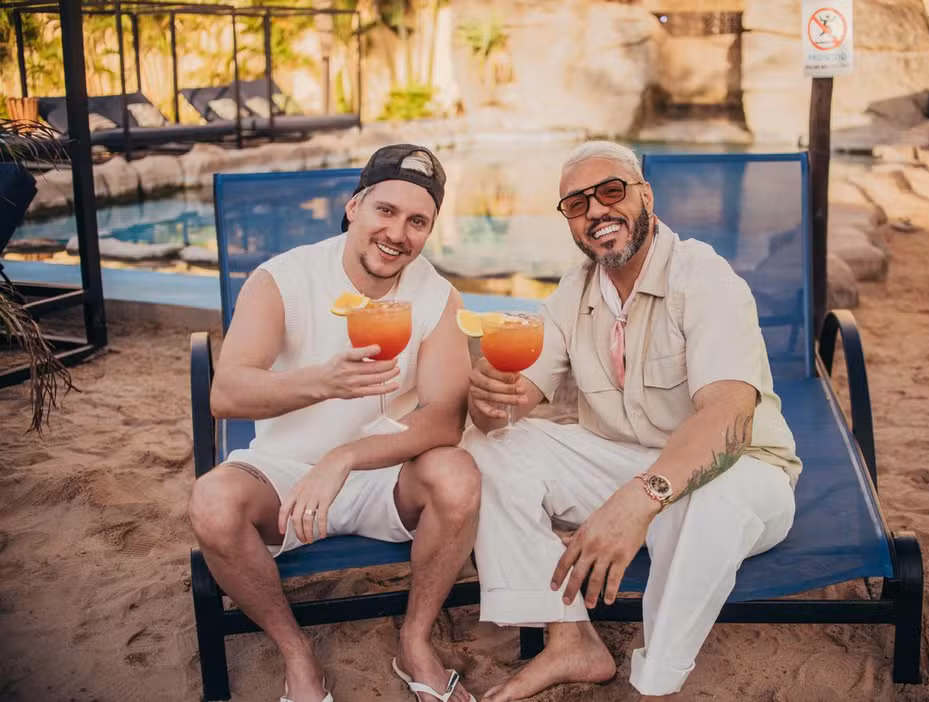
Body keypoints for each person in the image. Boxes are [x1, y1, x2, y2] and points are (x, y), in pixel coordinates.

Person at [462, 140, 802, 701]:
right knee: (484, 447)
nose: (596, 210)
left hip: (737, 471)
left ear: (646, 196)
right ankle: (570, 637)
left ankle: (655, 685)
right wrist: (488, 397)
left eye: (611, 191)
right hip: (625, 463)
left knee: (705, 506)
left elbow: (728, 415)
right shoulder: (572, 292)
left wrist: (641, 498)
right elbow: (512, 406)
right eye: (577, 204)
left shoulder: (703, 277)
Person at [189, 144, 479, 702]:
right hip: (283, 476)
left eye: (417, 221)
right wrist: (323, 382)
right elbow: (226, 393)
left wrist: (343, 458)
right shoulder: (282, 280)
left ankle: (414, 640)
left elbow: (445, 419)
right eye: (385, 211)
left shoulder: (438, 297)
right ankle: (297, 653)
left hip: (385, 474)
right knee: (211, 502)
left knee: (459, 474)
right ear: (353, 207)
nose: (397, 233)